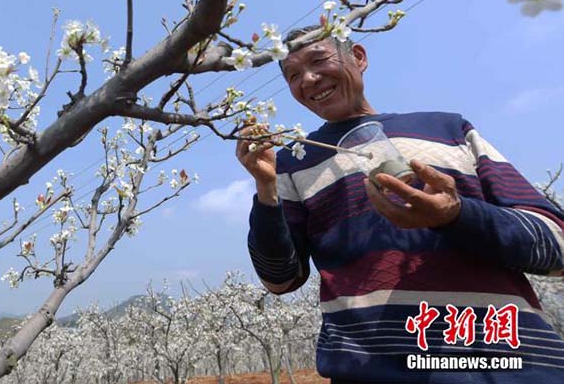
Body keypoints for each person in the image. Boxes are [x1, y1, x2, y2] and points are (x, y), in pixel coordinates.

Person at [236, 26, 564, 384]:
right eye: (294, 75)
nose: (309, 79)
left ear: (358, 57)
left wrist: (457, 215)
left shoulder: (448, 129)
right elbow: (280, 279)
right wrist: (265, 187)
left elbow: (556, 243)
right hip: (374, 372)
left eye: (318, 61)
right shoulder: (296, 162)